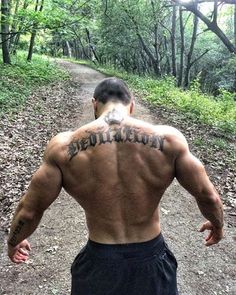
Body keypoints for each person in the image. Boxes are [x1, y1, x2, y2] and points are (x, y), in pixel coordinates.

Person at [7, 77, 224, 295]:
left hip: (98, 264)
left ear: (94, 104)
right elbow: (209, 197)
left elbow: (30, 210)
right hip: (151, 259)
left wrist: (13, 241)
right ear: (132, 104)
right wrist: (218, 224)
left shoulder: (64, 146)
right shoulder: (169, 140)